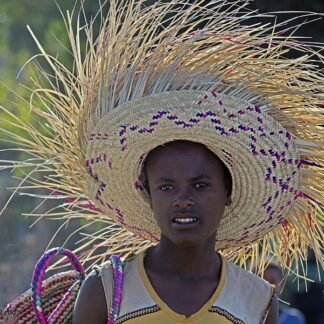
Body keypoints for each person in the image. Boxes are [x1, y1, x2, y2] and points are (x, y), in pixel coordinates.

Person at [1, 0, 323, 323]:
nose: (183, 200)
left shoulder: (257, 301)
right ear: (148, 194)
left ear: (228, 192)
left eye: (200, 185)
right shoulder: (106, 292)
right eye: (166, 186)